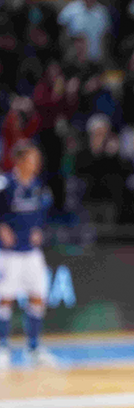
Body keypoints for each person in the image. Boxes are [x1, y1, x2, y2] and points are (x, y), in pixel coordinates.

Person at [0, 143, 55, 369]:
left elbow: (40, 214)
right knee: (5, 298)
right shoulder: (4, 184)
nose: (36, 164)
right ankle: (2, 348)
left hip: (31, 253)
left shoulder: (38, 186)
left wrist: (38, 230)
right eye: (32, 159)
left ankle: (33, 349)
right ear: (19, 161)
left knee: (38, 296)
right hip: (9, 254)